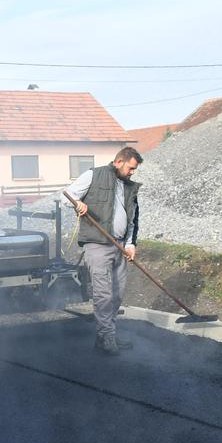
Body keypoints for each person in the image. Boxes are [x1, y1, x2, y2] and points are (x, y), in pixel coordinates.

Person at [65, 146, 143, 355]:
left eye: (134, 169)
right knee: (103, 294)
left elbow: (133, 219)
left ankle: (109, 335)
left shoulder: (129, 187)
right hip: (97, 244)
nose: (132, 172)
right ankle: (105, 337)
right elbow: (68, 195)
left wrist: (130, 244)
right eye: (130, 168)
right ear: (119, 162)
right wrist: (78, 203)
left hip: (120, 246)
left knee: (117, 294)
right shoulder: (93, 175)